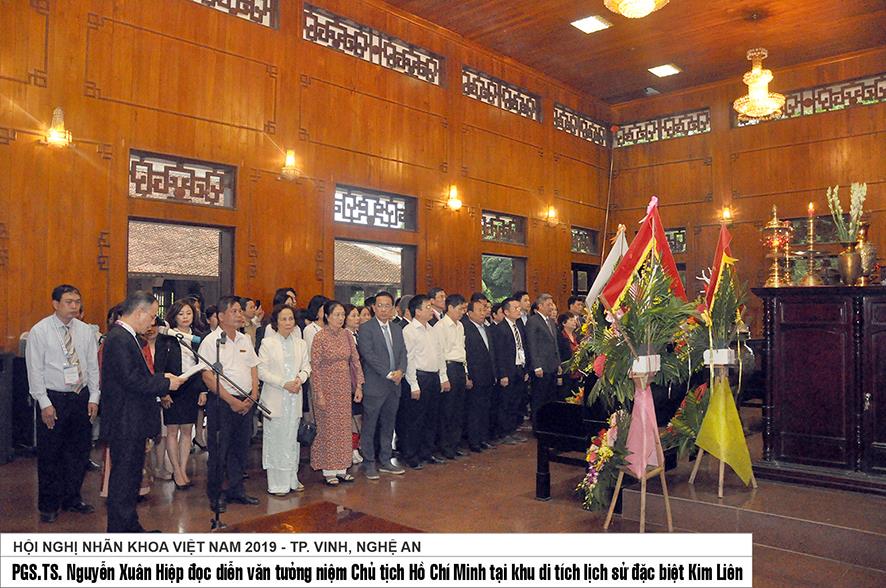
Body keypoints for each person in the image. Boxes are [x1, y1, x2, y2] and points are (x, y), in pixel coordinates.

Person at [101, 291, 182, 532]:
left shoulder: (129, 337)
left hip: (133, 420)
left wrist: (162, 377)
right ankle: (120, 532)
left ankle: (130, 526)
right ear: (139, 312)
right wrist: (165, 383)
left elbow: (137, 376)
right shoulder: (118, 338)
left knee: (131, 478)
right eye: (152, 316)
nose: (153, 322)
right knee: (124, 479)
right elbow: (130, 379)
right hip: (125, 420)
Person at [26, 284, 101, 524]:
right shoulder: (40, 331)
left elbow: (93, 366)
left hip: (80, 396)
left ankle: (72, 498)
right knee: (51, 453)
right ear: (55, 304)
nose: (74, 306)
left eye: (77, 302)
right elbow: (34, 370)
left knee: (79, 452)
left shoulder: (85, 330)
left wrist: (94, 396)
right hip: (53, 398)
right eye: (69, 302)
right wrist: (44, 402)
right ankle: (48, 505)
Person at [199, 296, 262, 513]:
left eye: (239, 311)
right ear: (221, 316)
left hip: (246, 401)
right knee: (219, 450)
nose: (239, 315)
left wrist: (253, 395)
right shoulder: (211, 341)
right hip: (222, 403)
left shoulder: (245, 339)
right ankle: (215, 494)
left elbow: (253, 367)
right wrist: (232, 401)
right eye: (234, 311)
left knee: (240, 448)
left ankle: (236, 490)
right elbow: (207, 376)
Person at [258, 305, 311, 495]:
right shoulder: (267, 343)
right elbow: (262, 371)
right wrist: (283, 383)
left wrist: (300, 379)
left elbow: (307, 367)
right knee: (276, 440)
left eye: (291, 318)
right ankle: (277, 484)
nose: (288, 322)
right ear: (276, 322)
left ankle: (292, 479)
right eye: (283, 319)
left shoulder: (300, 343)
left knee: (291, 440)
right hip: (275, 397)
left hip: (294, 397)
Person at [310, 300, 364, 485]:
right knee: (328, 428)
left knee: (343, 428)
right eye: (337, 315)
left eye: (342, 315)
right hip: (326, 388)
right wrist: (319, 393)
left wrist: (359, 386)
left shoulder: (347, 335)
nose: (341, 318)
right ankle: (329, 470)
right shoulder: (320, 337)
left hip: (343, 387)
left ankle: (342, 468)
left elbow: (355, 361)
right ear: (327, 316)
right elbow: (315, 367)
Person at [356, 291, 407, 479]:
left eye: (387, 306)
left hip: (394, 385)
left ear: (392, 308)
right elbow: (368, 355)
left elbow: (403, 353)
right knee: (370, 426)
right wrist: (388, 373)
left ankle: (385, 460)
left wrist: (401, 371)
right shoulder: (366, 328)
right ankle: (369, 462)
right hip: (375, 385)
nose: (383, 309)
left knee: (388, 425)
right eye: (380, 305)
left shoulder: (397, 329)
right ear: (374, 307)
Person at [162, 299, 207, 488]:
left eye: (189, 313)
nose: (185, 317)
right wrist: (163, 392)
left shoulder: (198, 338)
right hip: (172, 387)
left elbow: (204, 366)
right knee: (172, 431)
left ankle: (182, 468)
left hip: (191, 387)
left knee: (188, 430)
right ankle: (175, 470)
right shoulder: (167, 337)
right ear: (174, 316)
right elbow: (160, 366)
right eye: (181, 314)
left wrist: (203, 389)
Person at [401, 295, 447, 469]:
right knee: (415, 419)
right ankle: (411, 455)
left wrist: (443, 377)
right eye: (427, 307)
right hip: (419, 378)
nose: (431, 310)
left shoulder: (432, 329)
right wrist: (413, 384)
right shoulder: (409, 331)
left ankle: (426, 452)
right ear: (417, 311)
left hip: (433, 377)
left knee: (431, 418)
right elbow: (409, 359)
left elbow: (440, 354)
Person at [433, 294, 468, 460]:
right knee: (447, 410)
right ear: (451, 307)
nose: (462, 312)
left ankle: (455, 444)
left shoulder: (460, 325)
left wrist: (466, 373)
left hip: (460, 368)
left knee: (458, 409)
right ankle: (445, 446)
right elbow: (439, 353)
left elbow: (463, 350)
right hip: (448, 368)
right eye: (460, 309)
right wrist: (443, 377)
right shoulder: (440, 326)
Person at [492, 298, 529, 445]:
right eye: (515, 308)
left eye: (519, 308)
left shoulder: (518, 326)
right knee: (505, 403)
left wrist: (525, 369)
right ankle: (503, 432)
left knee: (516, 402)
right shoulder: (500, 328)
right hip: (508, 371)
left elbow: (523, 348)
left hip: (519, 368)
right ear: (506, 312)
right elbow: (499, 353)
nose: (518, 310)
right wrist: (503, 374)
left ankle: (512, 430)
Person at [462, 298, 496, 452]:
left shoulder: (487, 329)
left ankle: (483, 438)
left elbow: (492, 354)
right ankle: (474, 441)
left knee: (485, 408)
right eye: (479, 310)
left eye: (484, 310)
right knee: (474, 410)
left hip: (488, 376)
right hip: (475, 376)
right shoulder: (465, 328)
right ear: (469, 313)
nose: (483, 313)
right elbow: (466, 355)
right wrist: (467, 376)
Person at [526, 293, 560, 428]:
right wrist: (537, 366)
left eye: (552, 304)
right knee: (539, 398)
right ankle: (537, 425)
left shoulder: (550, 321)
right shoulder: (533, 321)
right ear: (540, 306)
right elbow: (532, 344)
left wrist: (558, 363)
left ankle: (548, 425)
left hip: (552, 366)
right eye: (548, 304)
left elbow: (555, 344)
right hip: (541, 367)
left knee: (550, 398)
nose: (551, 307)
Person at [344, 304, 364, 465]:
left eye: (358, 315)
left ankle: (356, 447)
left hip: (359, 382)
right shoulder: (344, 336)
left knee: (358, 416)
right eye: (353, 315)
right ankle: (350, 449)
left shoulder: (359, 335)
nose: (357, 318)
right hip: (348, 382)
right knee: (350, 418)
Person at [557, 312, 582, 398]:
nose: (574, 322)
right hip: (566, 372)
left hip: (578, 372)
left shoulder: (577, 336)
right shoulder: (560, 337)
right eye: (571, 320)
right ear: (564, 323)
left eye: (574, 320)